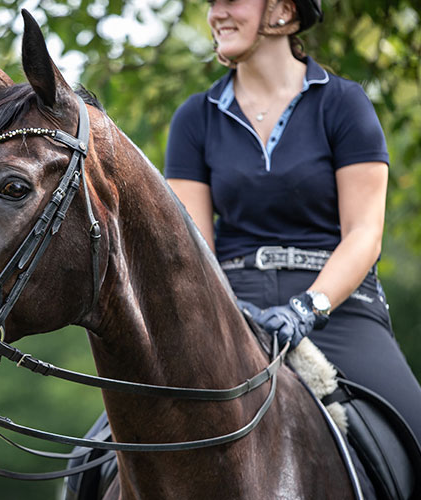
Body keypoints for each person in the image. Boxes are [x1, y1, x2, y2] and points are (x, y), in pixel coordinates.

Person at [164, 0, 421, 445]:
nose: (216, 13)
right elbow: (195, 248)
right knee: (97, 450)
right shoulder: (194, 118)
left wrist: (308, 307)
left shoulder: (344, 104)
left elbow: (364, 233)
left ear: (283, 10)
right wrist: (225, 309)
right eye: (212, 3)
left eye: (232, 0)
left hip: (338, 306)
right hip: (233, 304)